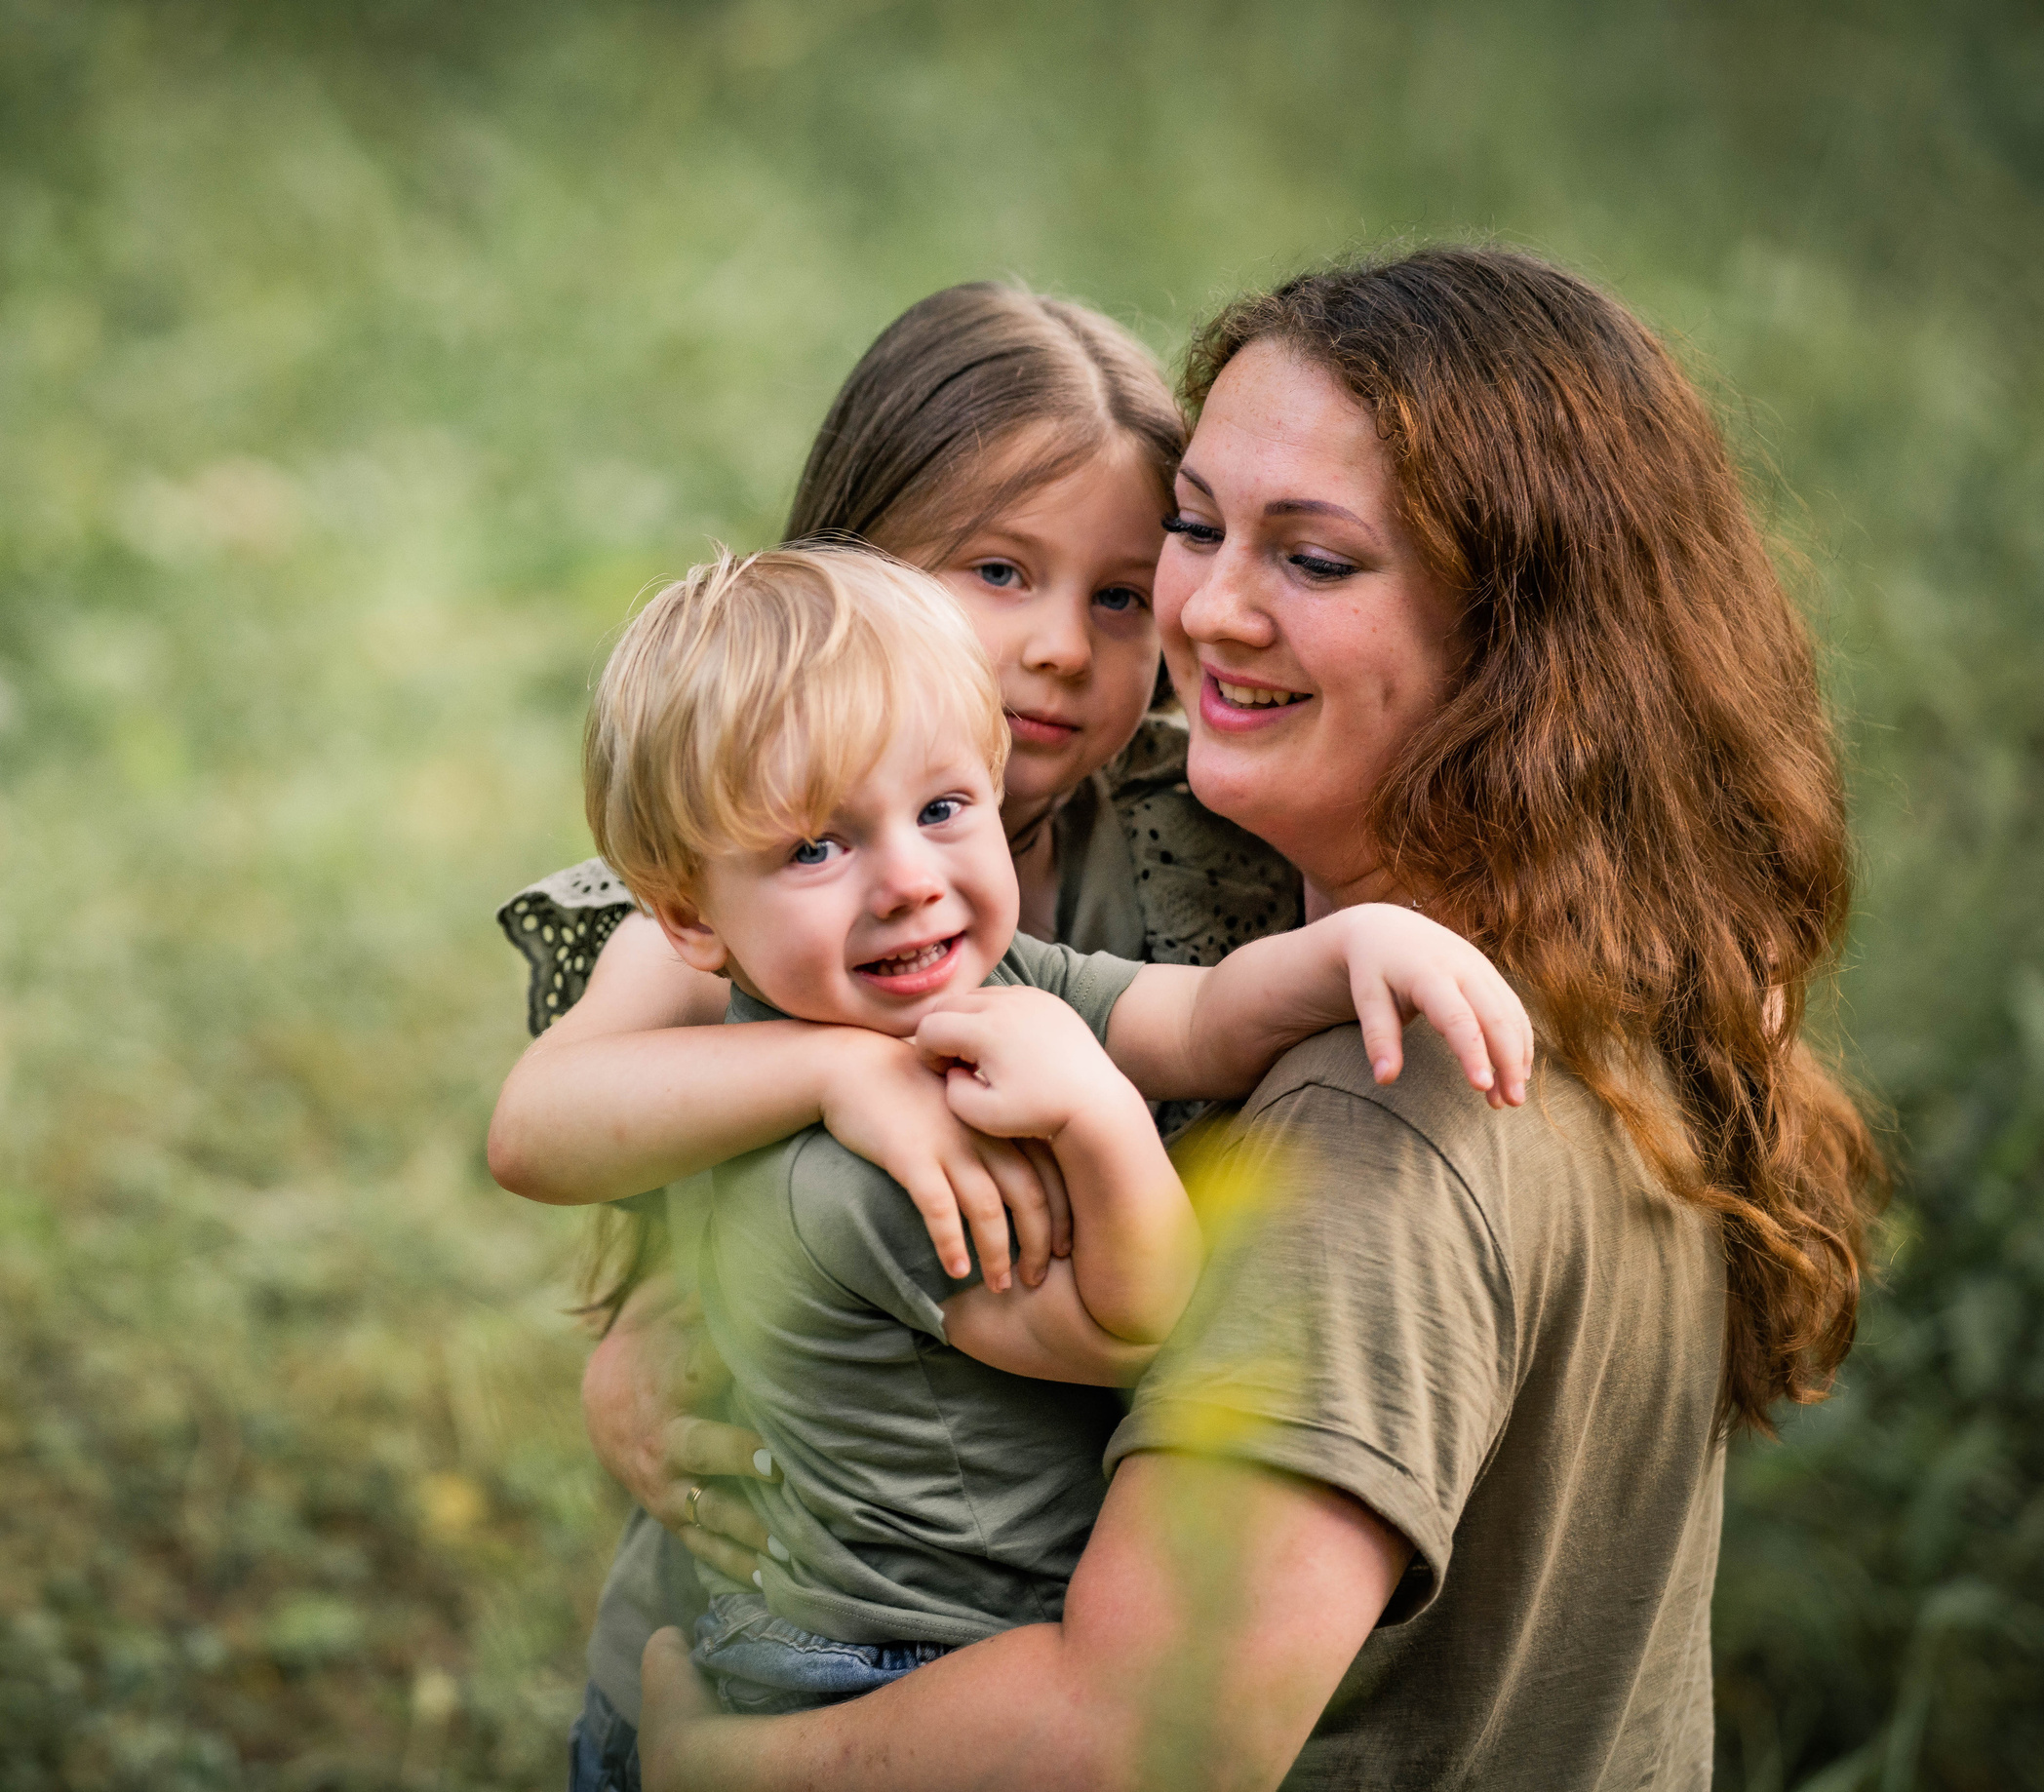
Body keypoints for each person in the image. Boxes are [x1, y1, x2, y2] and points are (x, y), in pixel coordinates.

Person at [629, 245, 1888, 1790]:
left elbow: (1137, 1737)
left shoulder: (1375, 1121)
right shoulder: (1612, 963)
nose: (1207, 609)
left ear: (1525, 641)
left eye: (1317, 560)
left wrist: (716, 1766)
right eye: (1198, 525)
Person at [492, 284, 1318, 1789]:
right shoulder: (737, 863)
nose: (1059, 645)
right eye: (999, 570)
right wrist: (837, 1063)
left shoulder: (1196, 848)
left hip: (1036, 1652)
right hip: (773, 1626)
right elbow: (540, 1122)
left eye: (1120, 594)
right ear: (856, 565)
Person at [564, 540, 1528, 1730]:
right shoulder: (847, 1175)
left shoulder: (984, 980)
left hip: (937, 1646)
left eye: (941, 808)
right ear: (688, 916)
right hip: (879, 1670)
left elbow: (1198, 1020)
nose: (908, 880)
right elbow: (1135, 1325)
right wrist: (1098, 1112)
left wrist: (1354, 944)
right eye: (815, 846)